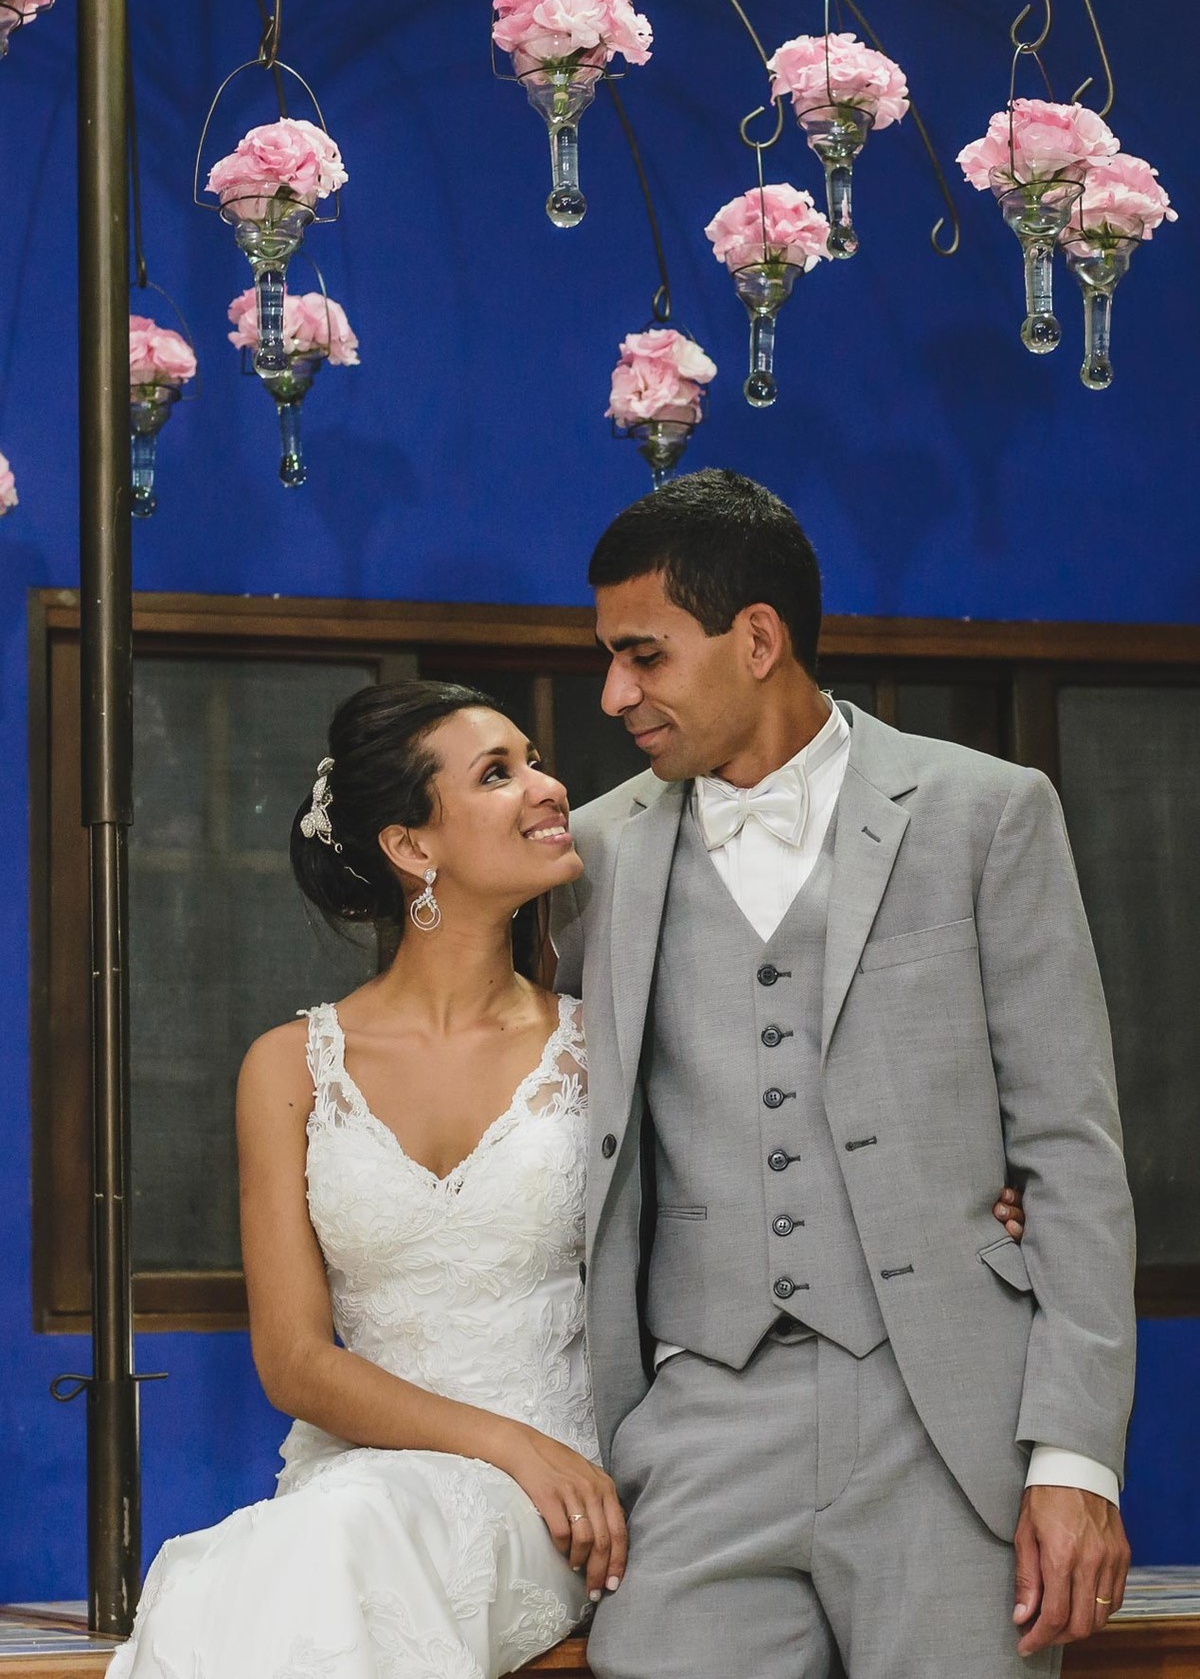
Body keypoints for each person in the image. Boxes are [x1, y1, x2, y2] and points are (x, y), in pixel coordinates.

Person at [110, 673, 1023, 1679]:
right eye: (499, 774)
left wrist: (966, 1193)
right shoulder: (285, 1067)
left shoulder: (608, 1046)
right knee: (296, 1555)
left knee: (322, 1557)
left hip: (559, 1504)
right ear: (413, 846)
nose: (548, 788)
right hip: (362, 1486)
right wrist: (502, 1441)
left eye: (534, 759)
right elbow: (294, 1359)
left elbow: (774, 1176)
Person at [551, 468, 1136, 1679]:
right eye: (609, 657)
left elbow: (1070, 1150)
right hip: (700, 1418)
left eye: (644, 656)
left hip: (949, 1421)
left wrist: (1074, 1459)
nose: (615, 694)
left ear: (756, 637)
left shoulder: (987, 812)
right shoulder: (594, 851)